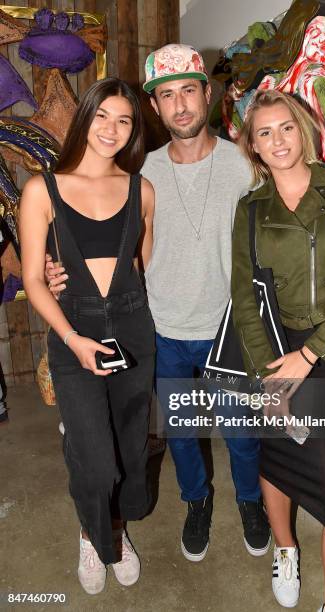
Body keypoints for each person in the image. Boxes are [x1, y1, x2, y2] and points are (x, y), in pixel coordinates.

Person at [47, 44, 271, 563]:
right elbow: (108, 243)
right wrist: (52, 270)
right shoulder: (139, 176)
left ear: (206, 94)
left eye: (187, 91)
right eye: (166, 96)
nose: (180, 106)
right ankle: (196, 502)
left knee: (240, 435)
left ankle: (250, 501)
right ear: (154, 107)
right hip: (162, 329)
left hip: (228, 327)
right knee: (183, 434)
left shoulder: (244, 163)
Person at [231, 89, 325, 610]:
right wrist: (269, 373)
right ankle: (285, 547)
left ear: (305, 128)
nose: (278, 140)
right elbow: (244, 296)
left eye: (285, 127)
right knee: (277, 455)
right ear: (253, 146)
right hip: (272, 348)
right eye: (264, 133)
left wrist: (310, 356)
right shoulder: (250, 209)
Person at [20, 77, 155, 595]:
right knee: (96, 463)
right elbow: (34, 279)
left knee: (127, 448)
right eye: (102, 116)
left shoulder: (141, 189)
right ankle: (92, 532)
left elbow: (143, 264)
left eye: (124, 120)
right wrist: (73, 337)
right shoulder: (42, 188)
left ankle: (114, 528)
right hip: (73, 331)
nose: (112, 129)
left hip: (132, 327)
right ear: (85, 119)